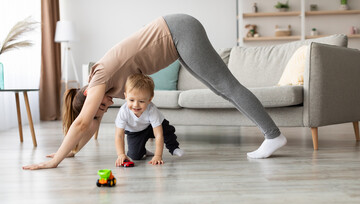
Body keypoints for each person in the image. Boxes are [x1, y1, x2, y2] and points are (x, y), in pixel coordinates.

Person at [23, 14, 286, 170]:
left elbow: (82, 122)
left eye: (100, 107)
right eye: (102, 109)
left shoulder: (98, 80)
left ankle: (272, 135)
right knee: (222, 89)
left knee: (227, 86)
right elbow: (90, 123)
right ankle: (271, 135)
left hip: (178, 31)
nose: (105, 107)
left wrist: (55, 160)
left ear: (86, 94)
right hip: (176, 37)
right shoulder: (99, 87)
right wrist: (73, 151)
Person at [115, 73, 184, 166]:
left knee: (166, 131)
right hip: (135, 131)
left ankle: (174, 148)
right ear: (125, 96)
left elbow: (159, 134)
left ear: (149, 99)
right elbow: (119, 135)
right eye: (131, 100)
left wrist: (158, 156)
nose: (136, 105)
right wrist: (121, 154)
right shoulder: (123, 112)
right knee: (135, 155)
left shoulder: (151, 110)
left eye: (141, 101)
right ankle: (143, 150)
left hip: (152, 127)